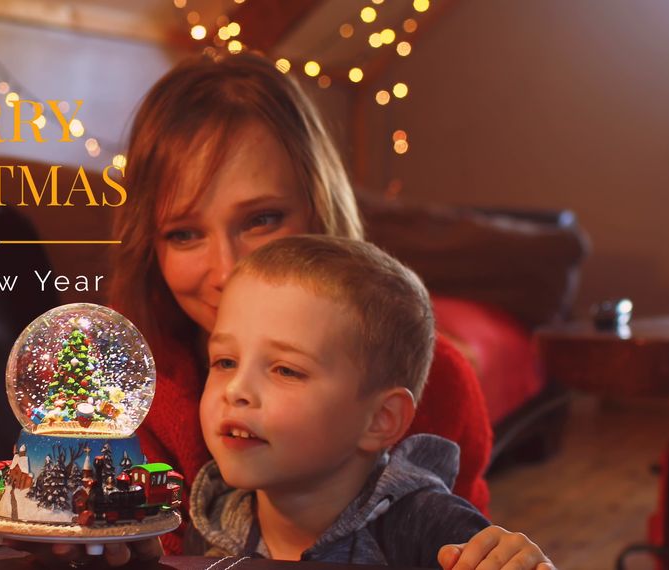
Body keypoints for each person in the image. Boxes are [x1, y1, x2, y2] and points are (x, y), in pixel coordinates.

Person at [108, 51, 492, 559]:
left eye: (261, 219)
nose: (227, 271)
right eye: (183, 234)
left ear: (319, 206)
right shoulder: (123, 392)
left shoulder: (436, 378)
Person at [189, 235, 551, 569]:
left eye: (286, 370)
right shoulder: (208, 517)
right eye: (225, 362)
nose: (235, 389)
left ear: (380, 419)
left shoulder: (431, 529)